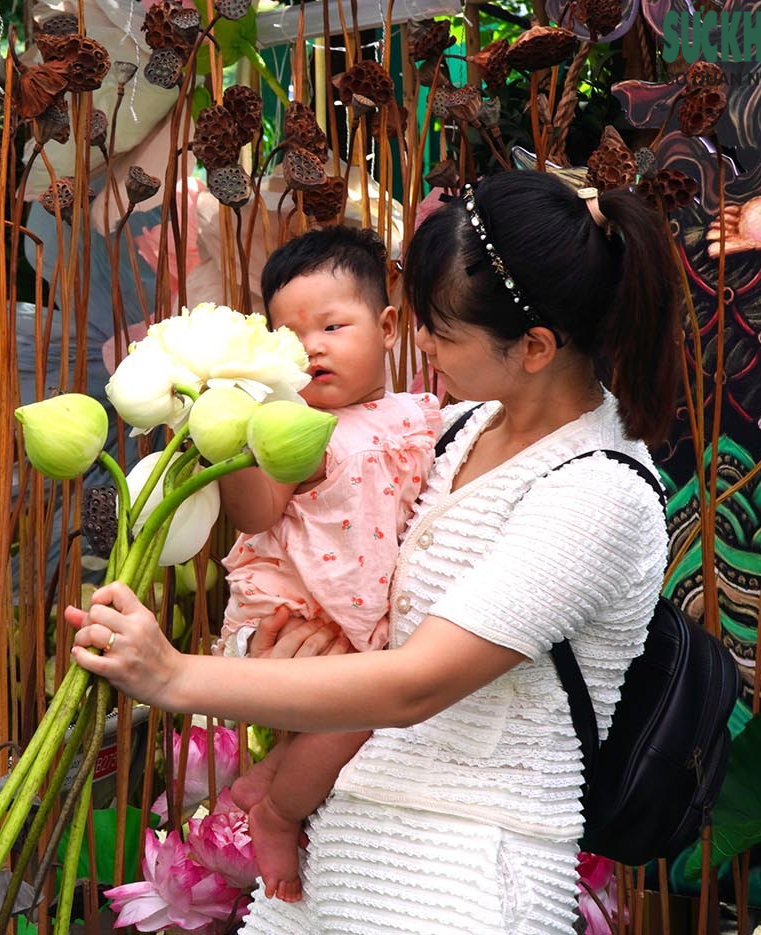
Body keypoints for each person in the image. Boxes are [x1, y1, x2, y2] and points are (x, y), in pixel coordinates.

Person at [66, 169, 683, 934]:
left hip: (461, 883)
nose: (420, 342)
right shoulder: (458, 433)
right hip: (346, 851)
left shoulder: (599, 493)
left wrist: (176, 675)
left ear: (533, 346)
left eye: (441, 330)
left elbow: (414, 684)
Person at [211, 226, 441, 901]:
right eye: (290, 336)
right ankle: (278, 813)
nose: (312, 347)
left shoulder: (422, 415)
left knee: (363, 705)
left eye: (333, 325)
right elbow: (256, 513)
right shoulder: (293, 431)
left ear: (389, 325)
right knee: (358, 707)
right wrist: (226, 445)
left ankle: (265, 781)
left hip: (355, 616)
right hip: (291, 610)